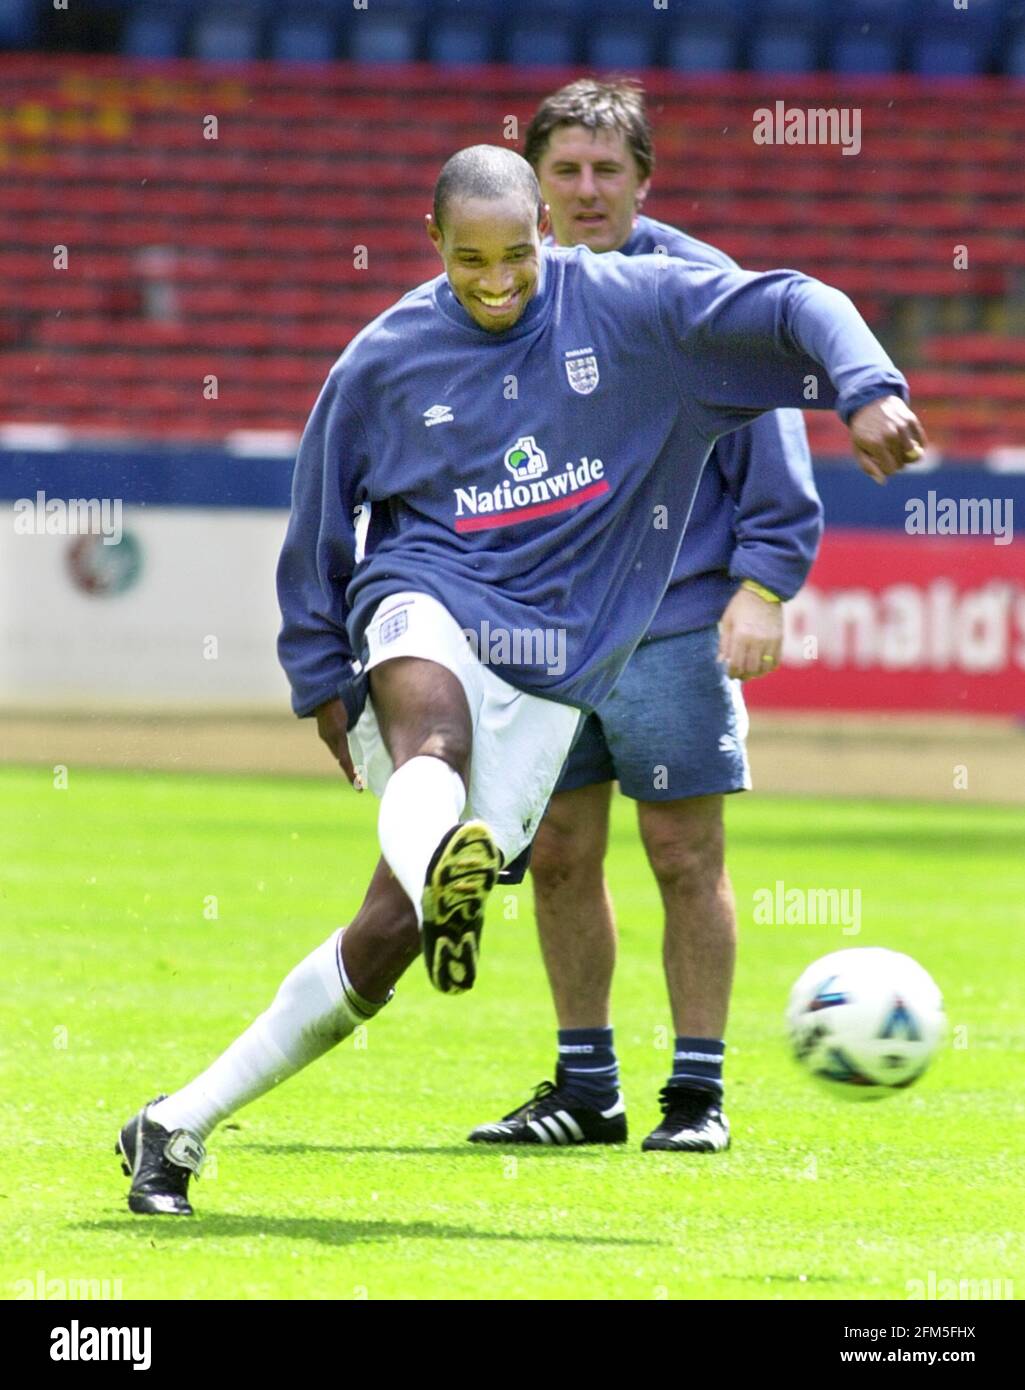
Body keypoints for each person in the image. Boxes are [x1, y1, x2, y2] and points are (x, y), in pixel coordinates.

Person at [116, 144, 925, 1214]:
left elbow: (793, 301)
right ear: (431, 243)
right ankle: (446, 867)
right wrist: (318, 666)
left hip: (553, 672)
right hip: (423, 595)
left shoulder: (634, 310)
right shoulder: (383, 356)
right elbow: (318, 512)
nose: (495, 283)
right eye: (469, 262)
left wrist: (864, 390)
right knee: (432, 743)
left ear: (543, 228)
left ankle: (172, 1124)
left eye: (514, 258)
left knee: (384, 939)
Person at [469, 79, 820, 1155]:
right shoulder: (493, 295)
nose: (582, 191)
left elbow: (774, 446)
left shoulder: (699, 290)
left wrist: (761, 584)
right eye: (560, 173)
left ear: (641, 180)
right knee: (563, 852)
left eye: (603, 171)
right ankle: (586, 1090)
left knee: (681, 851)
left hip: (669, 623)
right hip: (540, 633)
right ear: (528, 186)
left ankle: (696, 1095)